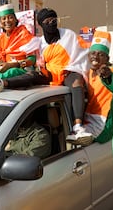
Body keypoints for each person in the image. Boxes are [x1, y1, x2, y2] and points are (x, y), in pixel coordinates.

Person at [35, 8, 90, 141]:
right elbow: (39, 61)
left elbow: (81, 53)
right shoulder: (40, 42)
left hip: (69, 70)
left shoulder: (68, 35)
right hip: (50, 75)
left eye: (54, 20)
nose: (52, 23)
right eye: (47, 21)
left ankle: (77, 126)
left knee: (76, 83)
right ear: (41, 24)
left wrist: (70, 68)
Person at [67, 31, 113, 145]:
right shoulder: (88, 72)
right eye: (93, 53)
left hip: (103, 124)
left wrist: (108, 76)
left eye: (100, 54)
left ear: (107, 58)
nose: (95, 56)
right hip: (86, 121)